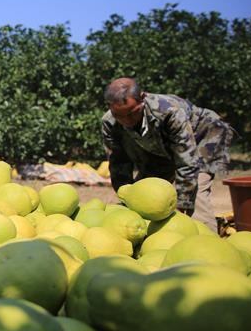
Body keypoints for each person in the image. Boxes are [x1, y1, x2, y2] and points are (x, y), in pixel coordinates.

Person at [101, 77, 235, 230]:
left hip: (202, 137)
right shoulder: (110, 123)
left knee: (195, 197)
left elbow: (187, 161)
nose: (127, 121)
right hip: (161, 148)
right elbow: (118, 163)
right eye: (120, 116)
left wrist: (182, 204)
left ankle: (208, 242)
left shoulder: (169, 111)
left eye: (132, 113)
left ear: (143, 98)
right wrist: (127, 196)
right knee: (145, 196)